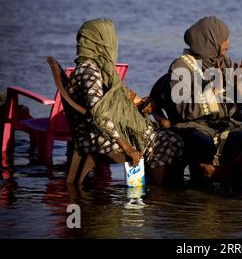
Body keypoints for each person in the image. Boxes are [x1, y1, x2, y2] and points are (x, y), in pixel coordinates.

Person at [66, 19, 183, 186]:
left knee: (166, 137)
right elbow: (100, 116)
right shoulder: (89, 72)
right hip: (94, 135)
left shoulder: (100, 69)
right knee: (167, 142)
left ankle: (157, 187)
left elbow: (121, 95)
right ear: (100, 41)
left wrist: (144, 103)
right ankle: (159, 193)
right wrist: (128, 147)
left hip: (101, 130)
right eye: (110, 38)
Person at [155, 16, 242, 187]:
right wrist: (214, 90)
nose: (228, 43)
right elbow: (183, 109)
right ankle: (202, 194)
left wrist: (239, 85)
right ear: (210, 40)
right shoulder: (182, 66)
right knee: (202, 144)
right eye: (224, 39)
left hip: (226, 126)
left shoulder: (222, 61)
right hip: (194, 126)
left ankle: (236, 187)